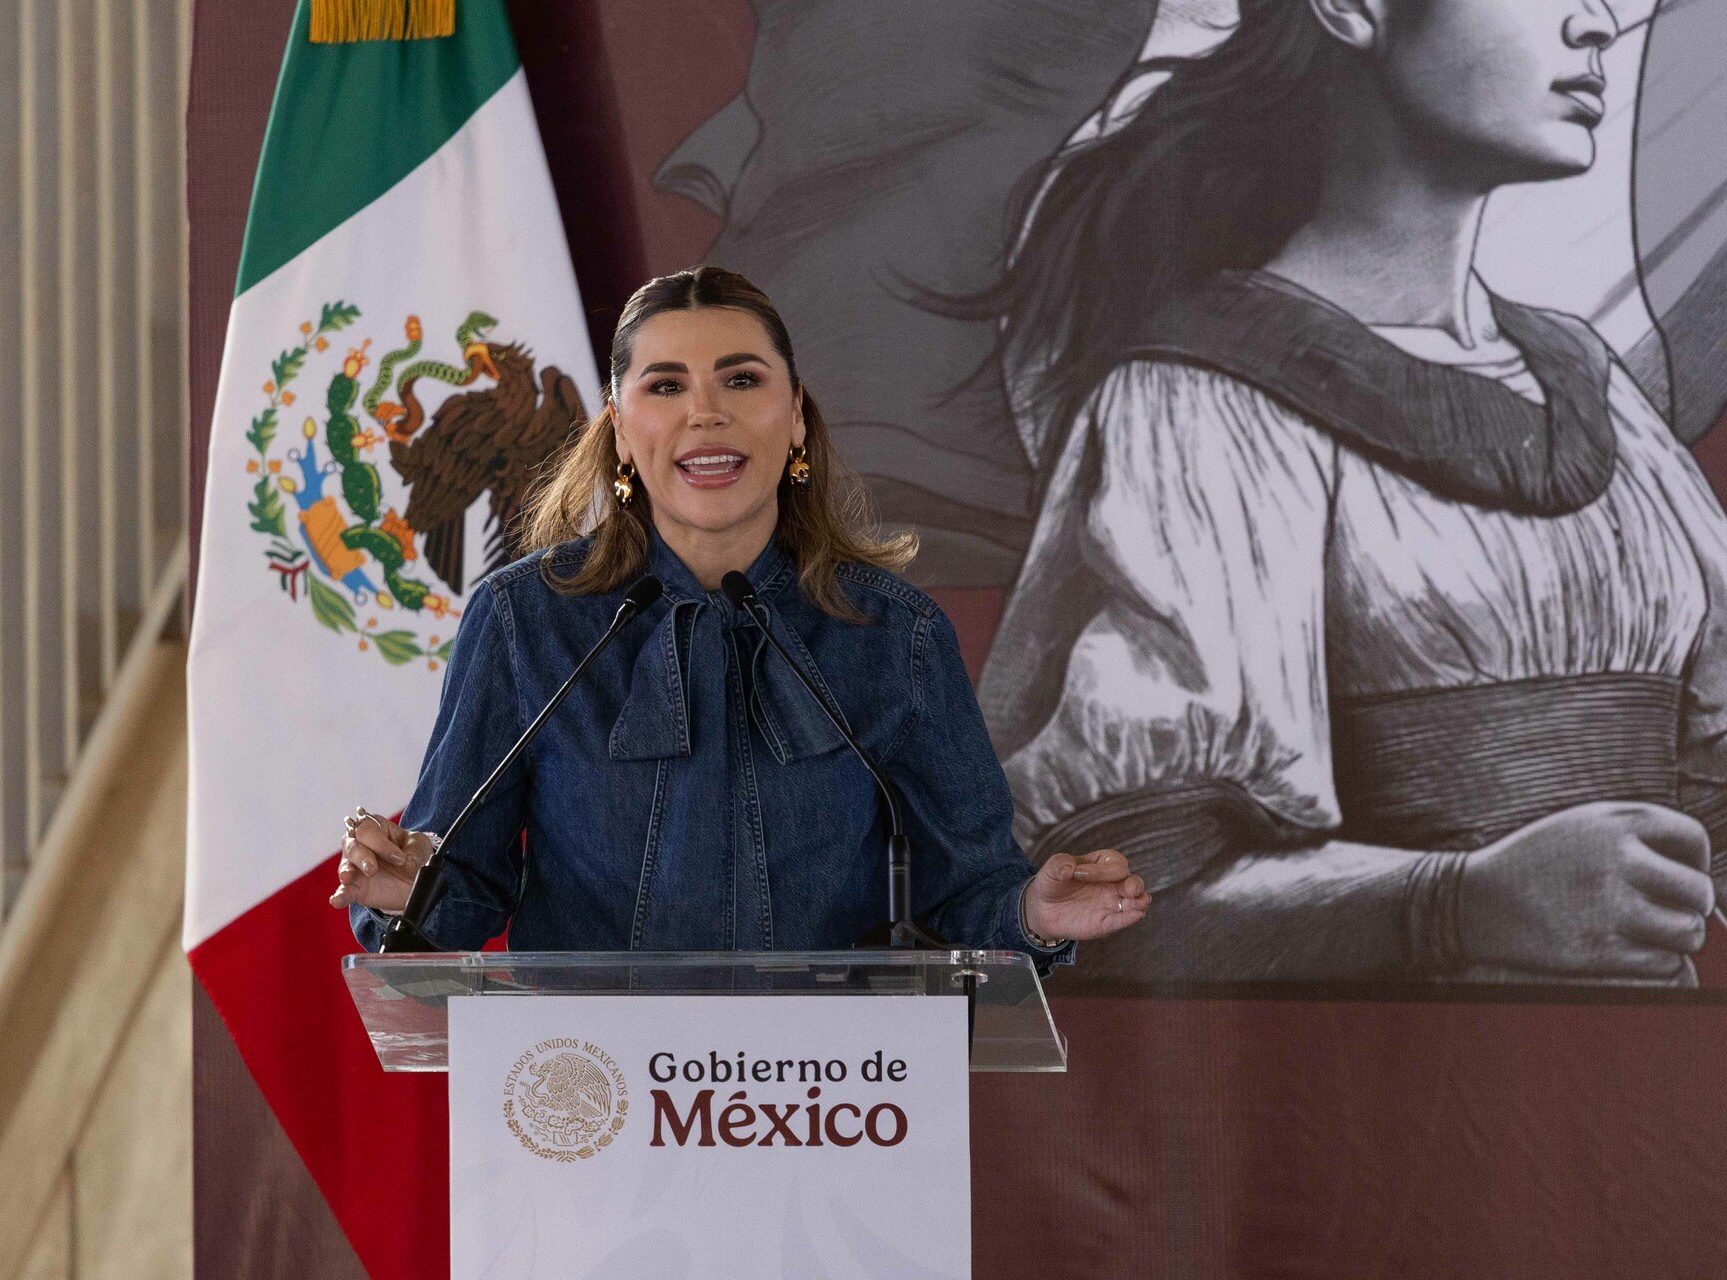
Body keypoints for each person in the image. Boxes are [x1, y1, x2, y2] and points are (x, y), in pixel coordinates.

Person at [976, 0, 1724, 983]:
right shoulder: (1200, 399)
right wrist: (1455, 901)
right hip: (1375, 1059)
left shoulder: (1593, 386)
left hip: (1628, 1062)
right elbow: (1118, 891)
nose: (1596, 24)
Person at [330, 266, 1150, 955]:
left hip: (830, 1085)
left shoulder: (896, 634)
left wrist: (1032, 914)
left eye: (742, 379)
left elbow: (968, 892)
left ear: (795, 417)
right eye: (666, 386)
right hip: (597, 1086)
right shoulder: (524, 621)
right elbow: (460, 891)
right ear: (620, 432)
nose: (706, 412)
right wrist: (410, 893)